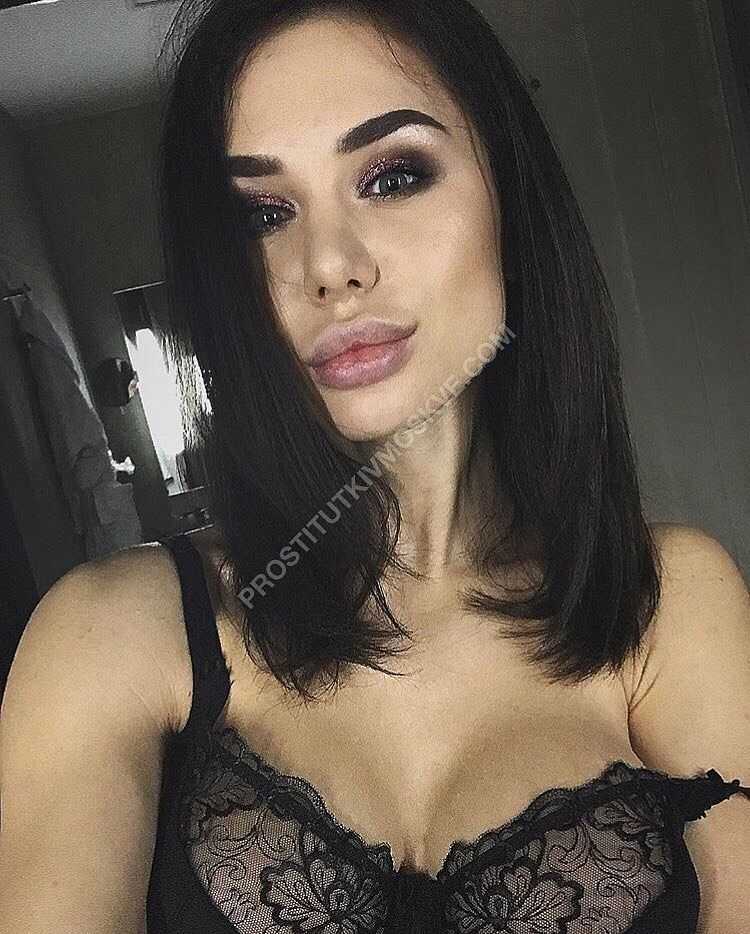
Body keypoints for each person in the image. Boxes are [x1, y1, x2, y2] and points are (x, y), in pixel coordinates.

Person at [1, 1, 748, 932]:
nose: (329, 266)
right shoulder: (110, 633)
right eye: (263, 213)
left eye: (394, 176)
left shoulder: (666, 599)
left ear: (509, 197)